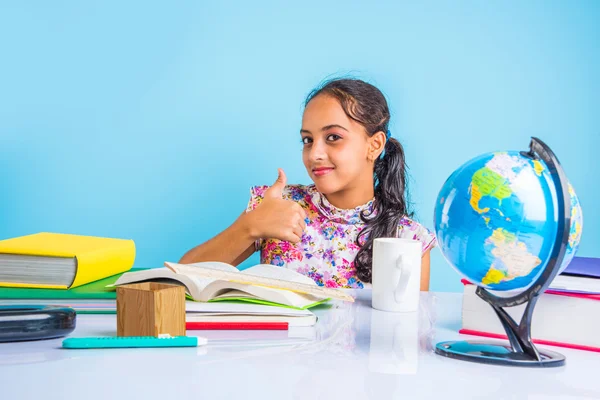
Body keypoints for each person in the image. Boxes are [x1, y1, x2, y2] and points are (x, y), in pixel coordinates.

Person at [179, 78, 436, 290]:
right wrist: (249, 227)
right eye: (307, 140)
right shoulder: (277, 208)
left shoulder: (407, 239)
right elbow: (181, 280)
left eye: (333, 137)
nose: (314, 154)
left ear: (375, 145)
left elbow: (410, 330)